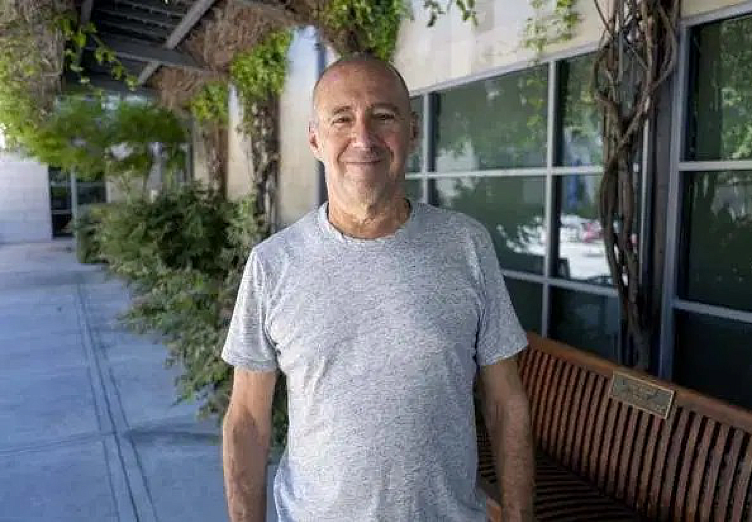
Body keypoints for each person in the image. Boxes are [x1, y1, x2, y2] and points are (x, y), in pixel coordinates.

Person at [220, 53, 535, 522]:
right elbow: (246, 420)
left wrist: (519, 515)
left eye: (383, 116)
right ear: (314, 138)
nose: (362, 138)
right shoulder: (273, 264)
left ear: (412, 130)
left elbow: (505, 400)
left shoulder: (466, 245)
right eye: (341, 119)